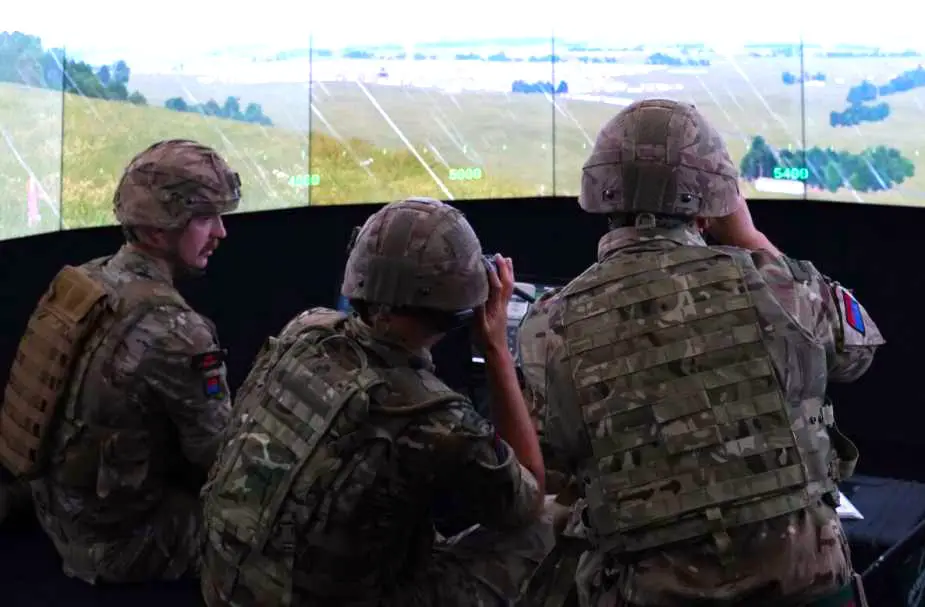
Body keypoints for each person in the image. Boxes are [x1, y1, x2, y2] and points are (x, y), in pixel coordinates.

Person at [517, 99, 884, 607]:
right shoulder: (773, 283)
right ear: (714, 200)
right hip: (805, 586)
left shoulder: (550, 324)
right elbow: (857, 355)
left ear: (599, 192)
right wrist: (751, 239)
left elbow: (551, 465)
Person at [200, 197, 554, 606]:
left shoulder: (306, 330)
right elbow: (526, 498)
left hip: (230, 586)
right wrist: (496, 348)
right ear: (462, 305)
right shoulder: (435, 417)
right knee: (547, 524)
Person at [0, 139, 239, 584]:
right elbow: (220, 458)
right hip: (114, 544)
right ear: (157, 231)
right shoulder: (179, 332)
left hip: (56, 507)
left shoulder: (87, 278)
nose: (221, 233)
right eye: (205, 218)